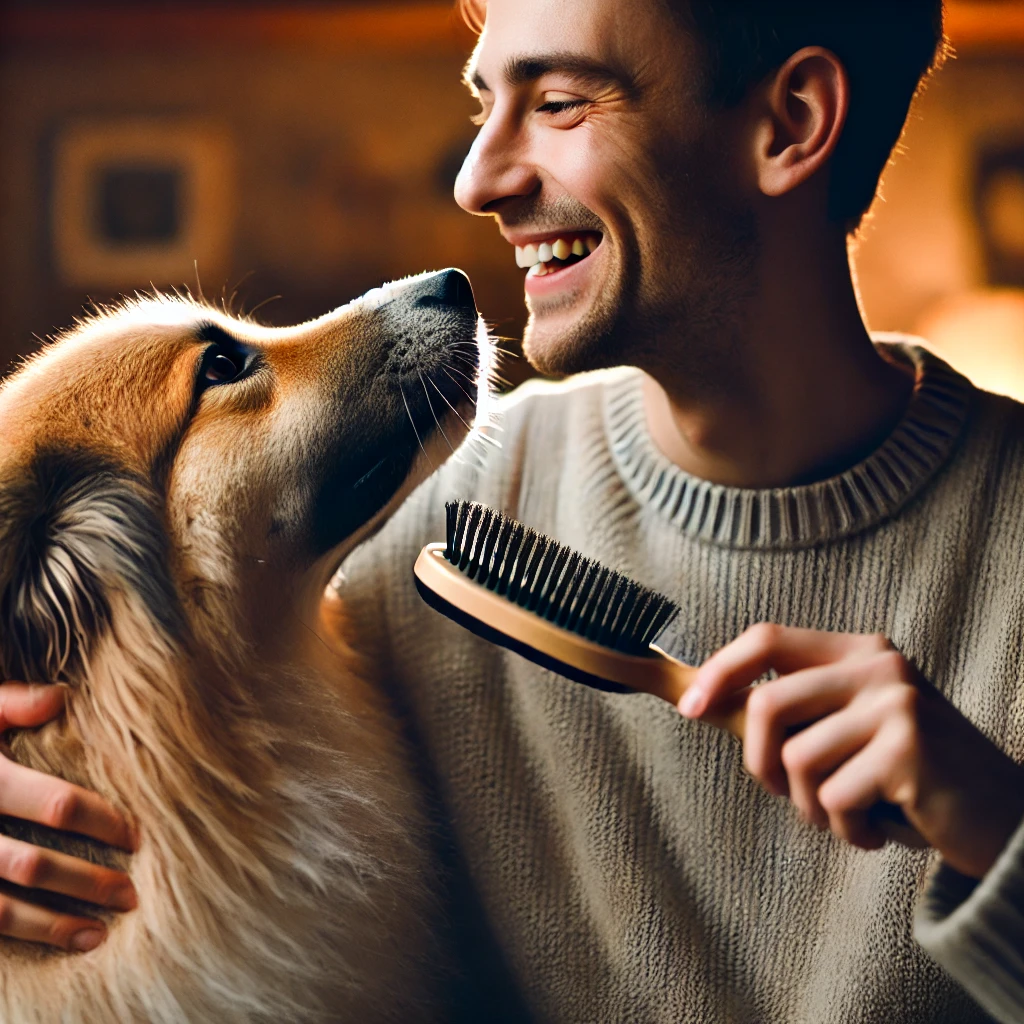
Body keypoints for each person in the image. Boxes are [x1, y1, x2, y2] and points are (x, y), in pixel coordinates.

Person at [1, 0, 1022, 1019]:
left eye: (561, 102)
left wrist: (1003, 835)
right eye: (486, 101)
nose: (478, 179)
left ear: (791, 122)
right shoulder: (413, 539)